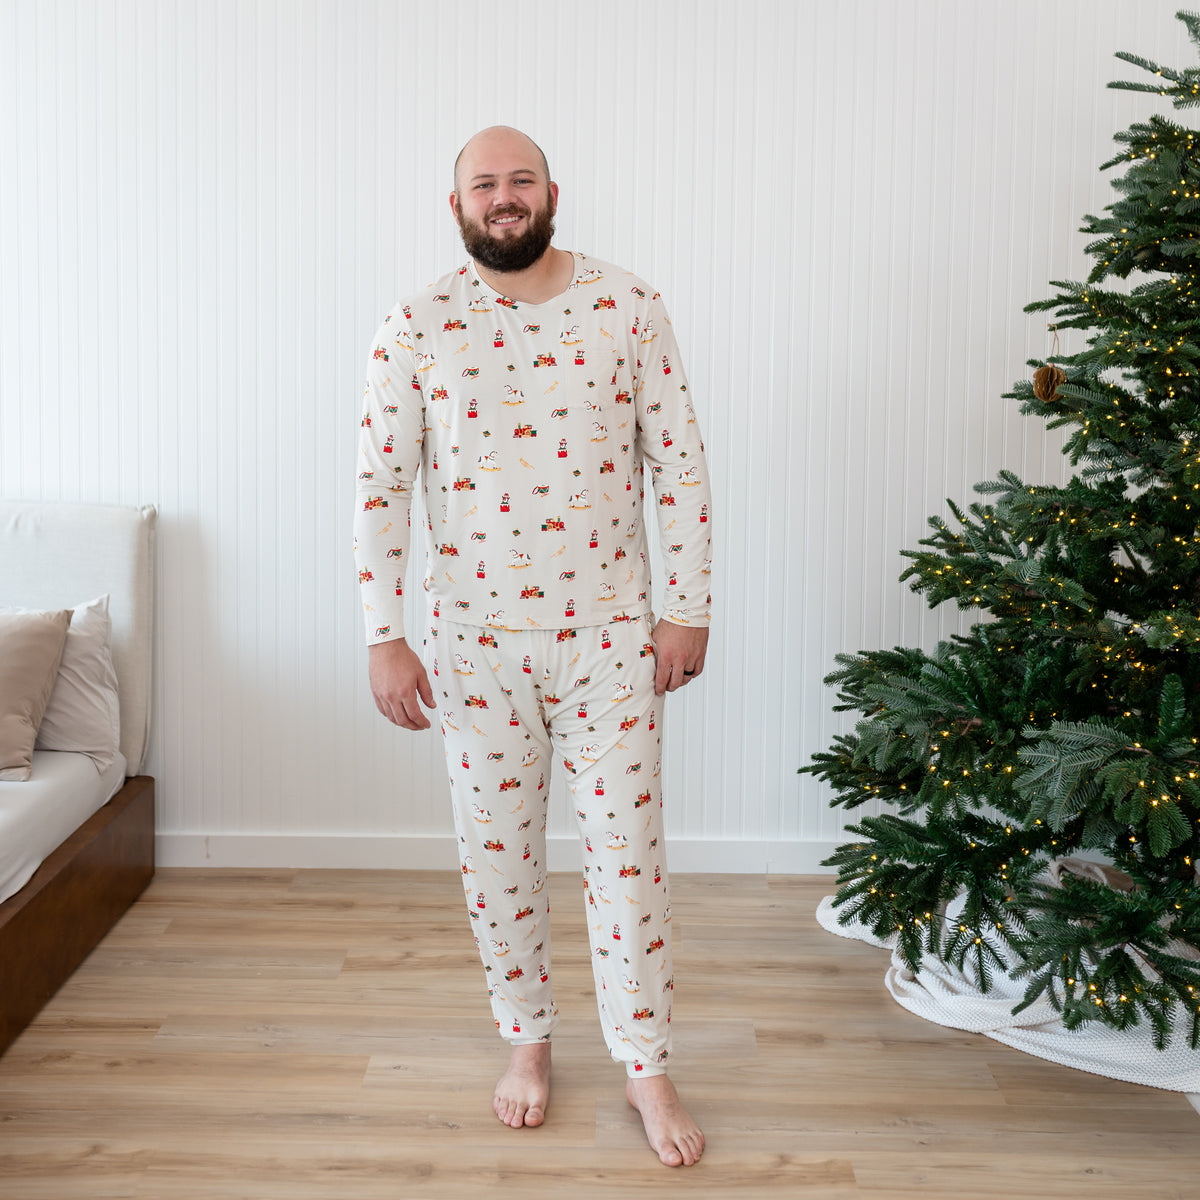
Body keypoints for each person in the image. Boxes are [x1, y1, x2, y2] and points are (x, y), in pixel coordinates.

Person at [354, 126, 712, 1168]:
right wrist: (384, 634)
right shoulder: (414, 328)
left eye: (520, 182)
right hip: (472, 647)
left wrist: (685, 607)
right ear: (455, 204)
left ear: (552, 192)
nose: (503, 199)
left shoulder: (628, 308)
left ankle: (646, 1066)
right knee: (497, 861)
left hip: (610, 640)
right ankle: (529, 1046)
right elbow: (381, 489)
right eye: (484, 185)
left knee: (627, 865)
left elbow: (677, 465)